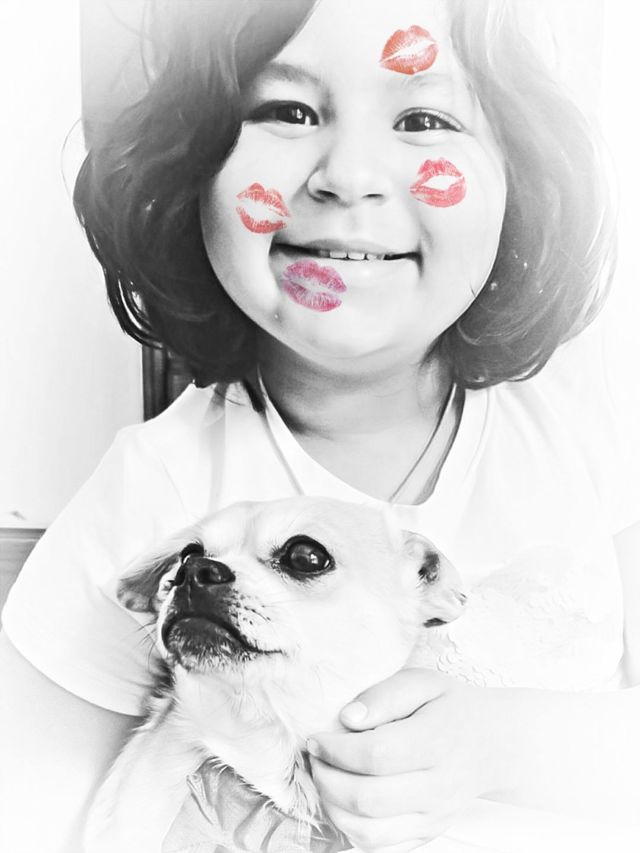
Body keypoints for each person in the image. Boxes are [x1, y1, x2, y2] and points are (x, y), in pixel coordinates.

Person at [1, 0, 639, 851]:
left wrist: (506, 746)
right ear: (192, 164)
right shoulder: (151, 484)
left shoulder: (594, 428)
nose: (349, 175)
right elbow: (29, 807)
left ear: (520, 174)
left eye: (424, 118)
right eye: (288, 110)